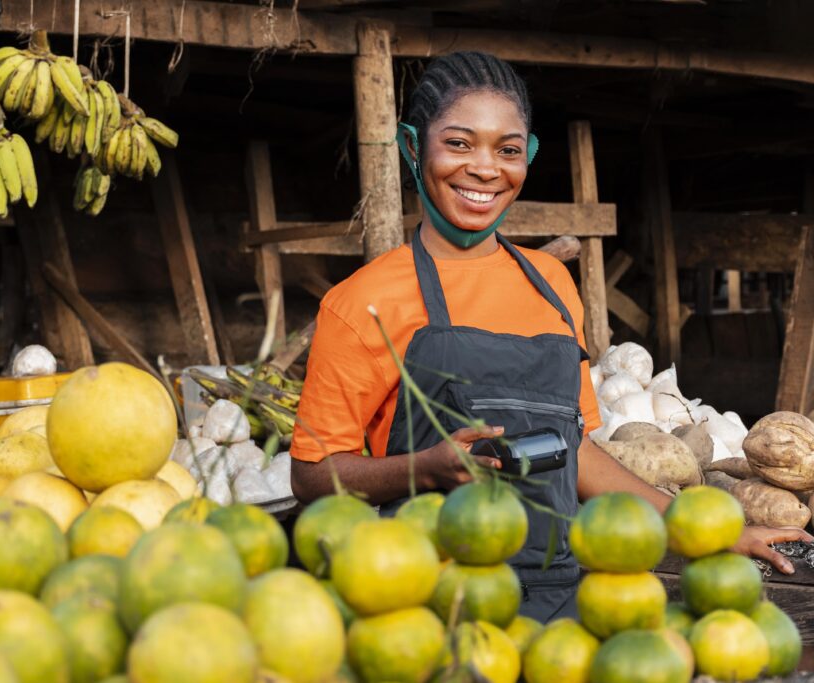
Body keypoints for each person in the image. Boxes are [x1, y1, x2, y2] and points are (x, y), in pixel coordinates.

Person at [288, 51, 812, 622]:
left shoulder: (552, 285)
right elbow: (312, 475)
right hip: (429, 607)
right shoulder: (361, 301)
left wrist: (717, 532)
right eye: (459, 144)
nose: (485, 169)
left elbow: (580, 454)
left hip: (558, 602)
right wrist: (425, 468)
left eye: (507, 150)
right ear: (413, 148)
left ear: (528, 158)